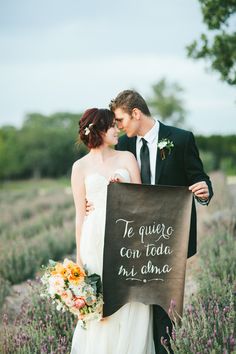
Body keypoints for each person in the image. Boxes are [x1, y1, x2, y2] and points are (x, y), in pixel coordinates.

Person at [109, 89, 214, 354]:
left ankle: (165, 350)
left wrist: (205, 190)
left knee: (164, 305)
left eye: (120, 120)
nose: (118, 127)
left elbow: (199, 176)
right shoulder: (124, 147)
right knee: (138, 302)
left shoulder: (180, 139)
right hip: (134, 238)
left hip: (170, 237)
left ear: (136, 113)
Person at [70, 108, 155, 354]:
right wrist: (79, 257)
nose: (117, 129)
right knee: (102, 303)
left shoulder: (127, 158)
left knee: (131, 299)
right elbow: (80, 214)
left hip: (128, 236)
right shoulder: (80, 167)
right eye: (111, 126)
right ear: (98, 130)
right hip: (94, 240)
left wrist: (125, 189)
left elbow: (142, 201)